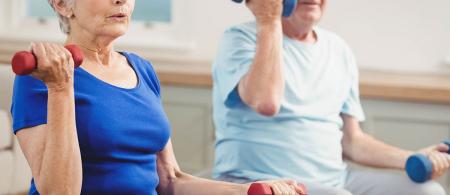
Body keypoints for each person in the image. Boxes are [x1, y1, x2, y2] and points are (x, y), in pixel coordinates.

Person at [10, 0, 305, 194]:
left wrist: (247, 189)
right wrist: (61, 88)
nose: (122, 0)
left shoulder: (141, 69)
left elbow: (170, 180)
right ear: (62, 4)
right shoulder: (40, 79)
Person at [211, 0, 449, 194]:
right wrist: (269, 19)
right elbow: (266, 101)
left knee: (429, 192)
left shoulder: (338, 49)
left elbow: (352, 141)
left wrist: (412, 158)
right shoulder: (239, 38)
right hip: (258, 182)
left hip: (335, 180)